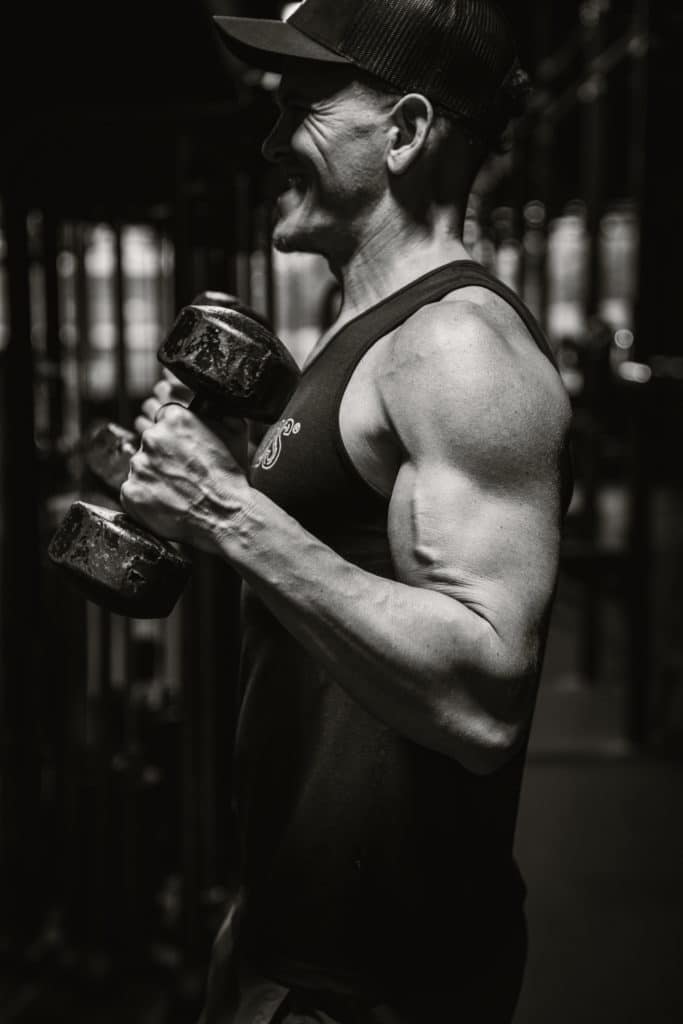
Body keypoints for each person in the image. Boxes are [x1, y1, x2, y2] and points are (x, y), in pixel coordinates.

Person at [122, 1, 573, 1020]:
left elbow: (481, 695)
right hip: (305, 948)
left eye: (303, 109)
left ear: (407, 133)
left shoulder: (457, 349)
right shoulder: (364, 335)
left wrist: (224, 506)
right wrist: (262, 913)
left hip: (381, 983)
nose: (272, 139)